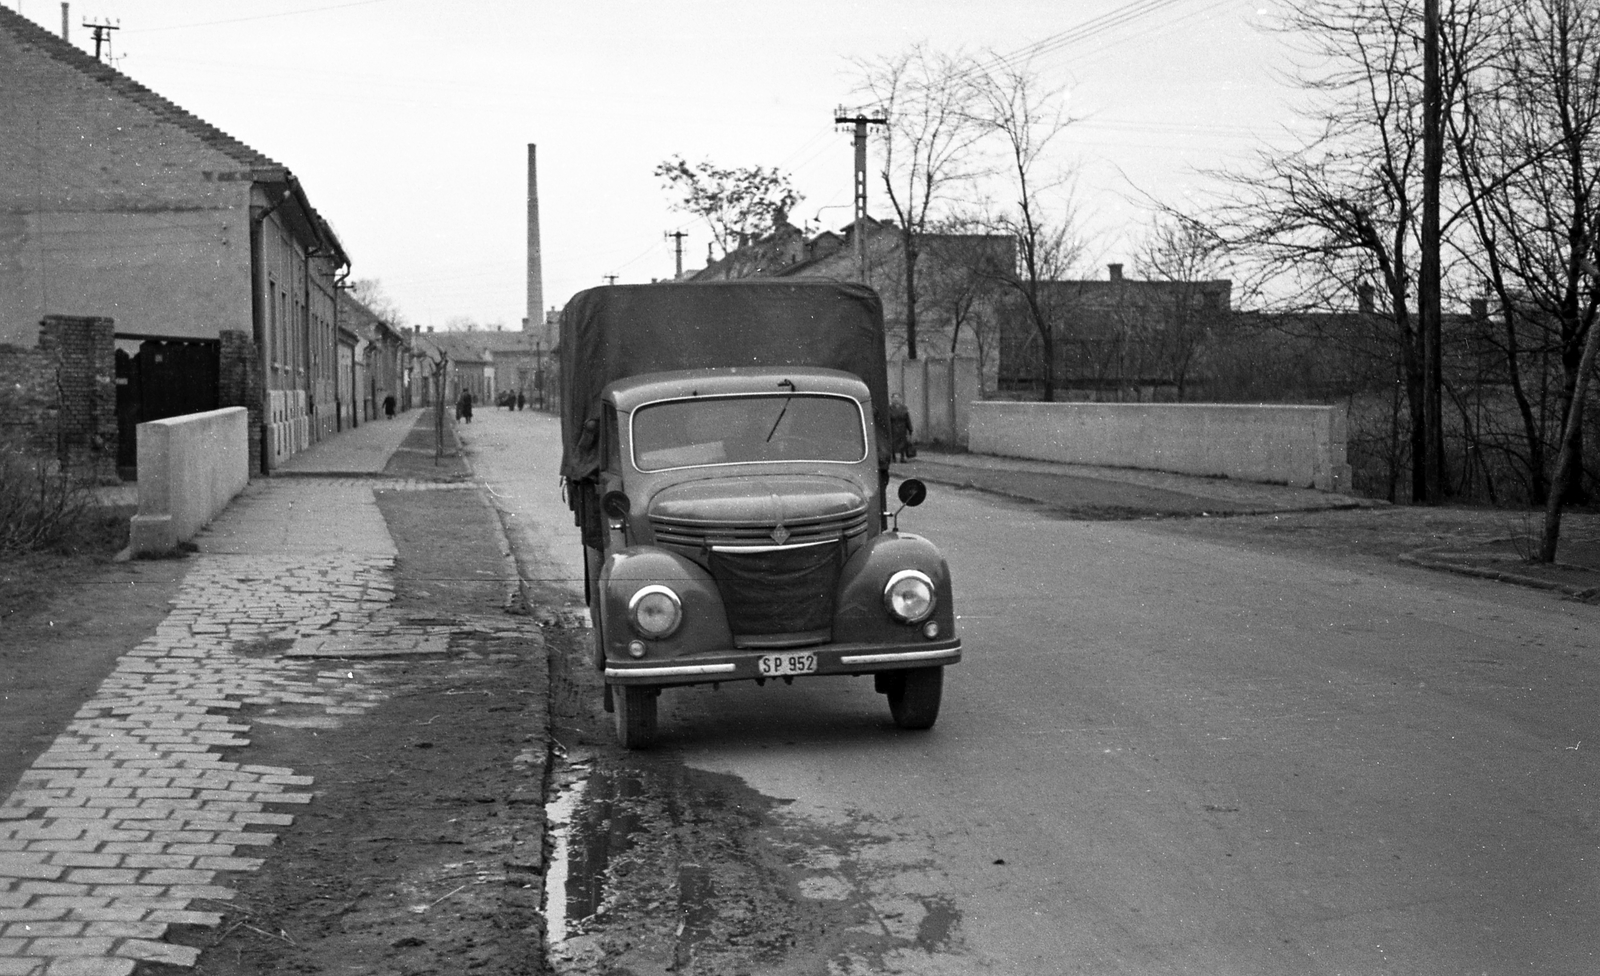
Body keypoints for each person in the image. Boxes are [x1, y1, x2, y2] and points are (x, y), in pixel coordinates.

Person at [889, 393, 914, 463]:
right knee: (893, 444)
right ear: (892, 399)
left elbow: (907, 419)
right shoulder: (889, 408)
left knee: (903, 443)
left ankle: (902, 457)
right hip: (893, 428)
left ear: (900, 399)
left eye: (897, 398)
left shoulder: (904, 408)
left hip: (902, 429)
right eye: (894, 398)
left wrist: (910, 429)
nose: (896, 400)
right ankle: (893, 457)